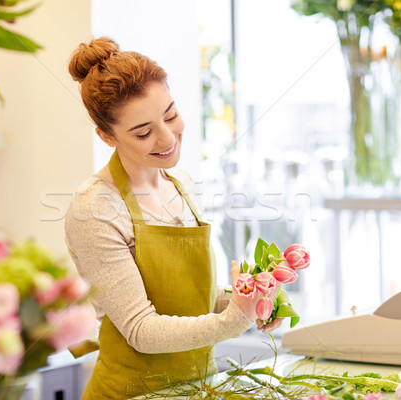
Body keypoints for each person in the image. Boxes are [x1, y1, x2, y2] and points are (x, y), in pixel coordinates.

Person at [64, 37, 283, 399]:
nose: (168, 138)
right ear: (106, 135)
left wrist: (247, 302)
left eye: (170, 115)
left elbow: (187, 296)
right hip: (131, 393)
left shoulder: (180, 184)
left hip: (199, 389)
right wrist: (233, 322)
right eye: (143, 132)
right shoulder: (95, 210)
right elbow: (141, 330)